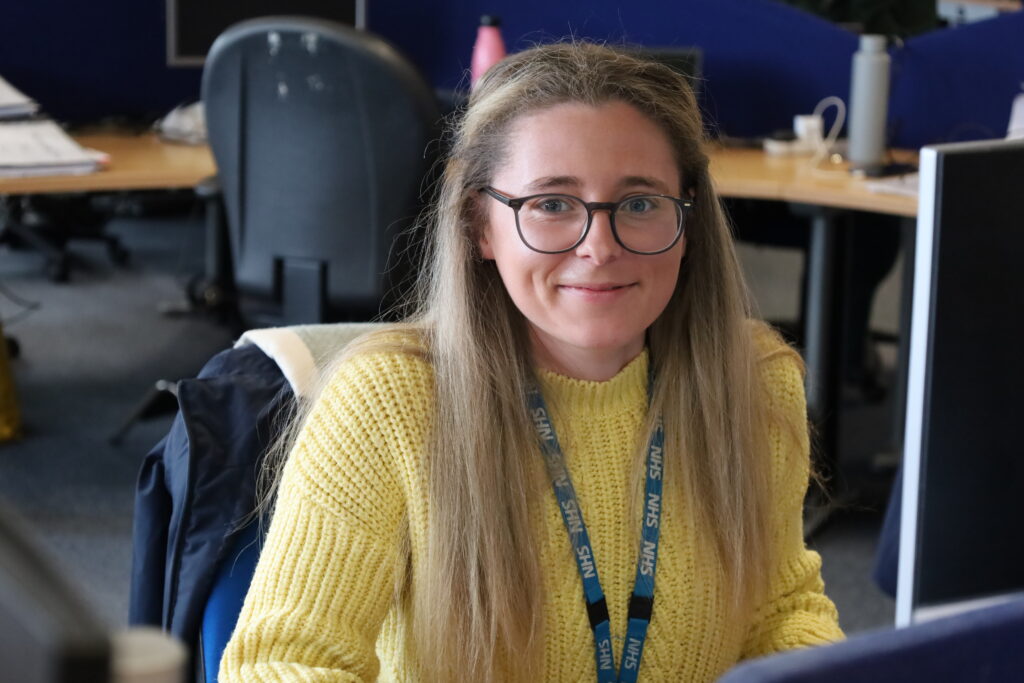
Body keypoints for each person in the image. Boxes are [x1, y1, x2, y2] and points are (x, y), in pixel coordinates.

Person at [219, 42, 843, 682]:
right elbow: (280, 662)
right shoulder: (392, 401)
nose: (599, 248)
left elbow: (778, 612)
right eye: (551, 204)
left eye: (639, 203)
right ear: (479, 225)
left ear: (687, 220)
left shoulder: (751, 381)